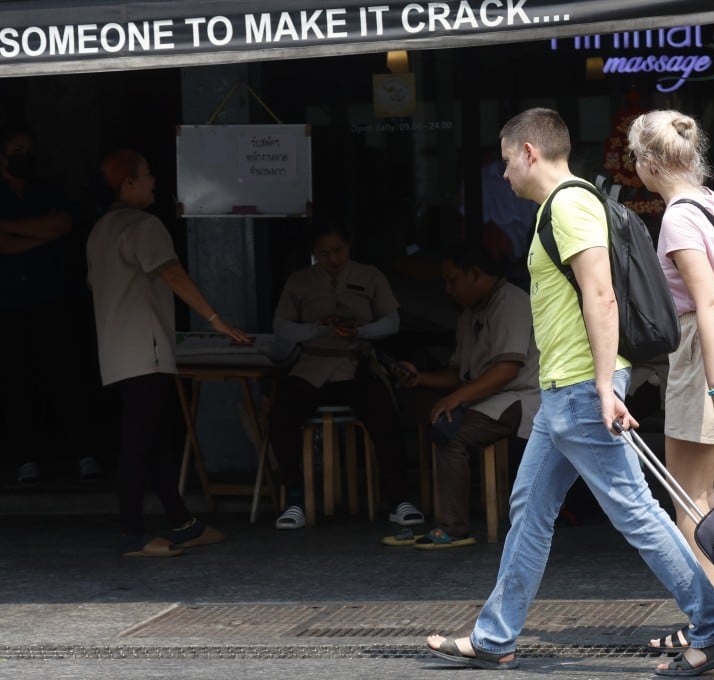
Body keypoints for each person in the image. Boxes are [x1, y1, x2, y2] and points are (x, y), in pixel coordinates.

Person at [425, 108, 714, 677]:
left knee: (638, 514)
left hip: (580, 387)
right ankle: (496, 635)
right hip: (561, 391)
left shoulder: (570, 205)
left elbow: (601, 296)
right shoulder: (564, 205)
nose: (502, 177)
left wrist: (605, 386)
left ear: (529, 152)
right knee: (529, 509)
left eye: (505, 163)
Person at [627, 110, 714, 653]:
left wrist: (713, 384)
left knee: (688, 502)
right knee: (703, 494)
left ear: (652, 162)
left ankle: (709, 628)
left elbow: (707, 301)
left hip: (707, 353)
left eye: (636, 157)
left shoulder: (681, 216)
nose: (635, 167)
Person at [87, 148, 246, 557]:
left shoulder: (100, 229)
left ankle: (183, 523)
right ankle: (132, 534)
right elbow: (172, 273)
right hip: (146, 348)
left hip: (116, 349)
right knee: (140, 444)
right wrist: (215, 319)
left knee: (152, 441)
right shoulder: (143, 224)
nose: (154, 181)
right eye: (148, 174)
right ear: (128, 183)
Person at [267, 221, 424, 530]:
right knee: (281, 415)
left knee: (384, 415)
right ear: (314, 253)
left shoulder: (369, 276)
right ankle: (295, 499)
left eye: (338, 250)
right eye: (324, 253)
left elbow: (391, 321)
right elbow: (282, 327)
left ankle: (398, 500)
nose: (333, 259)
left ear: (348, 246)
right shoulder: (299, 281)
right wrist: (316, 329)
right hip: (312, 364)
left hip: (357, 362)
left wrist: (361, 330)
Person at [389, 241, 539, 549]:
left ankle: (453, 527)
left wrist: (456, 398)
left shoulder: (511, 302)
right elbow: (459, 374)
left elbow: (507, 369)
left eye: (453, 279)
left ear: (475, 274)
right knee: (424, 411)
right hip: (489, 396)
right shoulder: (469, 314)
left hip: (521, 397)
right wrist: (421, 379)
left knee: (451, 431)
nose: (447, 289)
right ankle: (437, 512)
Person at [0, 125, 100, 485]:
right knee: (15, 381)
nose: (24, 155)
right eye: (17, 149)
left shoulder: (47, 190)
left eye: (28, 149)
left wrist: (11, 229)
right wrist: (39, 235)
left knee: (66, 376)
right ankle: (26, 458)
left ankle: (84, 453)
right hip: (8, 303)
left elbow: (63, 224)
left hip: (51, 298)